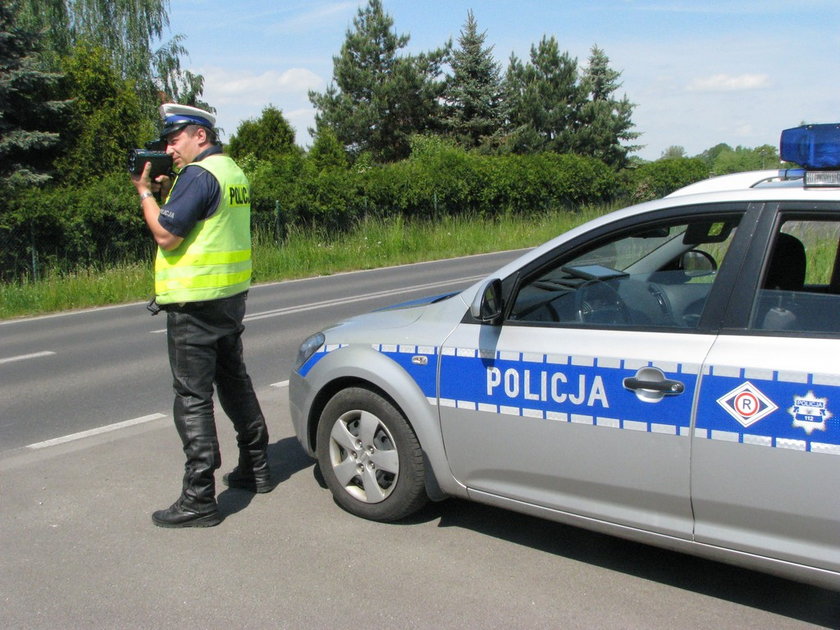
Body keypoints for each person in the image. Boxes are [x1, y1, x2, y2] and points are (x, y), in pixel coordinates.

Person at [131, 103, 272, 528]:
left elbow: (166, 235)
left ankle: (199, 498)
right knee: (233, 380)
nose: (168, 149)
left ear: (199, 135)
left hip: (194, 303)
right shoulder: (232, 171)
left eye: (173, 140)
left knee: (192, 397)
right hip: (228, 296)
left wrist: (145, 194)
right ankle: (257, 466)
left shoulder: (197, 176)